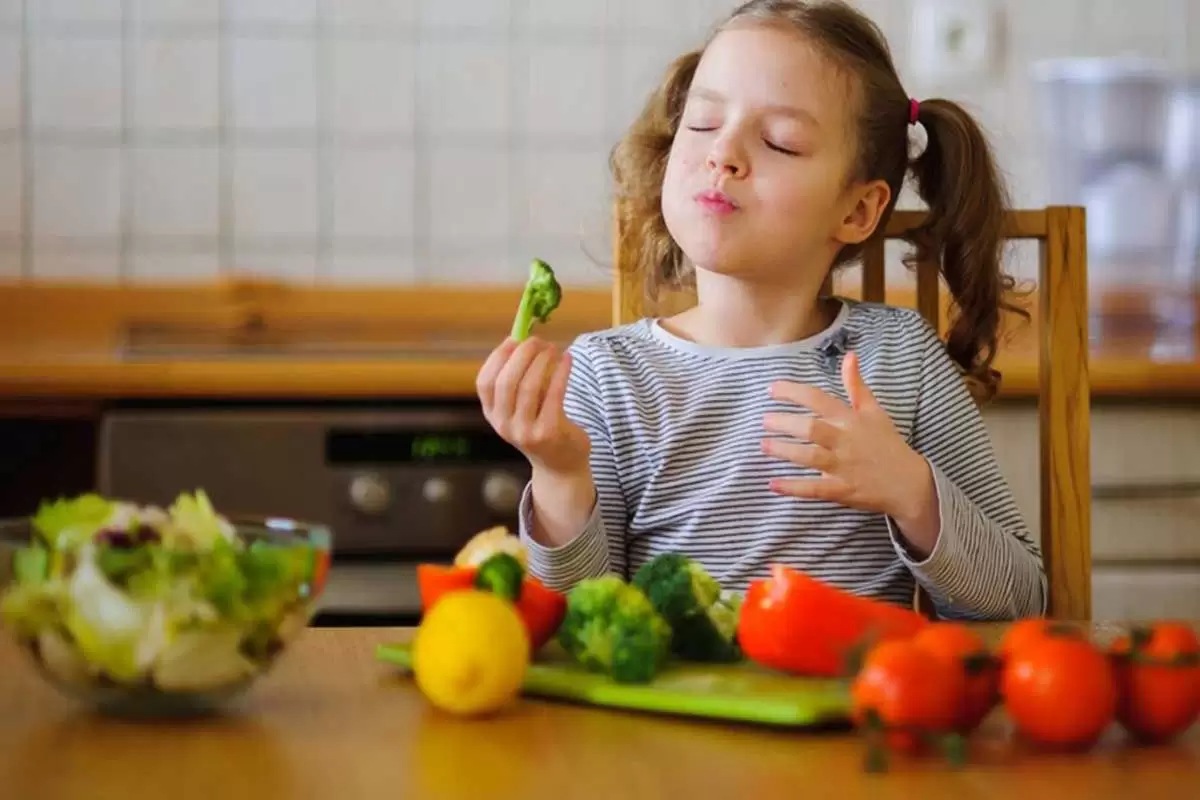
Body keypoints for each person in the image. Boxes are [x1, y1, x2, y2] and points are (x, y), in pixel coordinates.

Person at [475, 0, 1044, 620]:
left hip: (853, 710)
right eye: (702, 124)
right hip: (665, 716)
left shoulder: (899, 358)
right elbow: (576, 619)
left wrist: (913, 491)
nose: (724, 154)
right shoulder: (609, 374)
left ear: (857, 211)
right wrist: (558, 473)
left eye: (781, 142)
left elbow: (1019, 603)